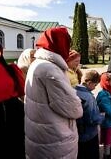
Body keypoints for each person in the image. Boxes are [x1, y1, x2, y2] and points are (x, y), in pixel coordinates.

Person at [24, 27, 83, 158]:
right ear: (60, 43)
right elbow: (75, 109)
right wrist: (76, 98)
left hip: (41, 135)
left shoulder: (37, 63)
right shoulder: (51, 70)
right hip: (54, 140)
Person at [0, 37, 25, 158]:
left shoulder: (11, 69)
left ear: (0, 51)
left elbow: (22, 92)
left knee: (16, 147)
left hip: (15, 114)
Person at [75, 70, 104, 159]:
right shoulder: (89, 97)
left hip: (77, 133)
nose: (95, 88)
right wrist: (102, 117)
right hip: (89, 134)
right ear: (89, 83)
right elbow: (92, 119)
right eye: (95, 85)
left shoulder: (73, 90)